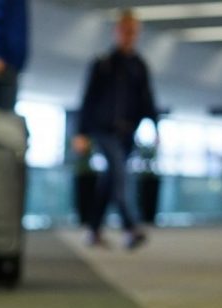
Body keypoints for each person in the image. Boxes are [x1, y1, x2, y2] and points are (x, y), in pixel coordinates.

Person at [73, 9, 159, 250]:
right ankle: (131, 228)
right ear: (116, 32)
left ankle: (93, 229)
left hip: (127, 132)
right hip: (103, 131)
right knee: (120, 176)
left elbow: (148, 101)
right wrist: (81, 132)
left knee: (109, 181)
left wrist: (155, 128)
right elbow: (88, 99)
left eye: (133, 32)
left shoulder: (139, 66)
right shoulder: (103, 64)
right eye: (125, 31)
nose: (129, 36)